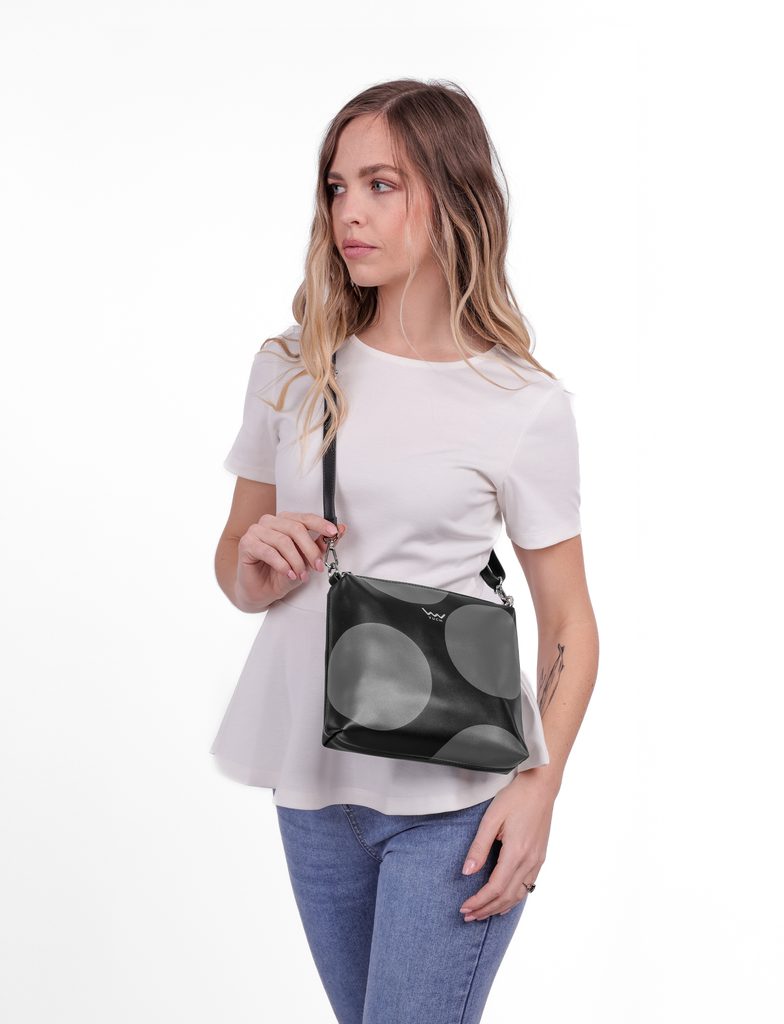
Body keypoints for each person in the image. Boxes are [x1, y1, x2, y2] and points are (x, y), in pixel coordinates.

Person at [212, 78, 599, 1024]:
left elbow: (570, 623)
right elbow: (235, 566)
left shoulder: (521, 403)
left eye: (382, 184)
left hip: (456, 803)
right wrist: (253, 567)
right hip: (312, 788)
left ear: (454, 194)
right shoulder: (292, 367)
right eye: (337, 187)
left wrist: (540, 790)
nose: (350, 211)